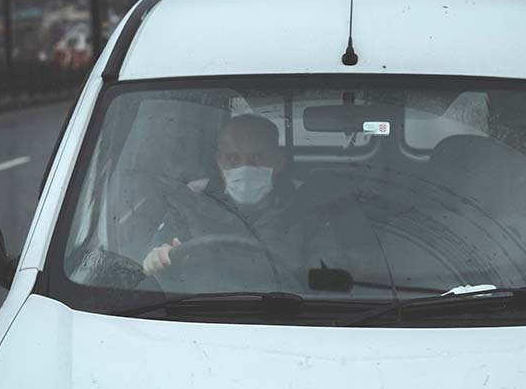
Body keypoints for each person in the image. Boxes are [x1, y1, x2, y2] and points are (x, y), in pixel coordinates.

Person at [141, 113, 384, 289]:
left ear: (279, 161)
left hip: (291, 320)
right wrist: (158, 258)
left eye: (257, 157)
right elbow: (155, 260)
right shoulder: (190, 206)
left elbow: (329, 275)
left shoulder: (309, 212)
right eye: (233, 158)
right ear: (218, 161)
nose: (245, 168)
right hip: (202, 320)